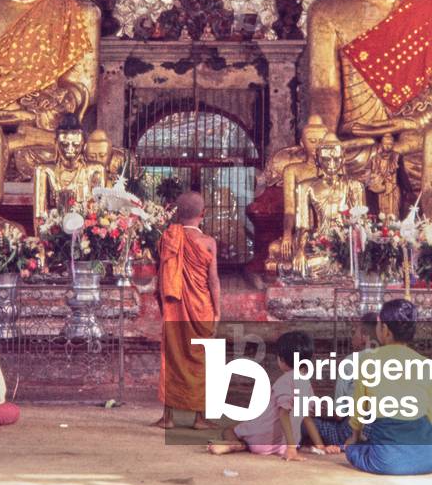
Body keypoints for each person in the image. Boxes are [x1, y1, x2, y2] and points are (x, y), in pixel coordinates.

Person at [343, 299, 432, 476]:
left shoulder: (368, 361)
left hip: (386, 461)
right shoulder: (425, 364)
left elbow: (359, 410)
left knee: (352, 450)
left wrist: (354, 438)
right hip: (428, 458)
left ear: (384, 330)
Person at [154, 191, 221, 430]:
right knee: (201, 360)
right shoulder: (208, 243)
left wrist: (162, 304)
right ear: (203, 214)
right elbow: (213, 281)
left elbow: (161, 277)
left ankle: (168, 418)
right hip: (201, 308)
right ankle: (199, 418)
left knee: (171, 358)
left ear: (177, 214)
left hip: (174, 307)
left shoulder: (167, 238)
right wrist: (217, 312)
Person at [207, 330, 328, 459]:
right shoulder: (306, 384)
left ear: (281, 359)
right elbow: (307, 418)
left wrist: (291, 449)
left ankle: (236, 444)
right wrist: (320, 446)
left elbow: (283, 413)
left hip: (263, 442)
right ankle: (244, 444)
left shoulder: (285, 381)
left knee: (229, 429)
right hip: (283, 445)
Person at [311, 312, 378, 448]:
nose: (352, 337)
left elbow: (339, 414)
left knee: (306, 421)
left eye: (355, 332)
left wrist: (320, 412)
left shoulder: (351, 361)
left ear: (364, 336)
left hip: (355, 431)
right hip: (382, 431)